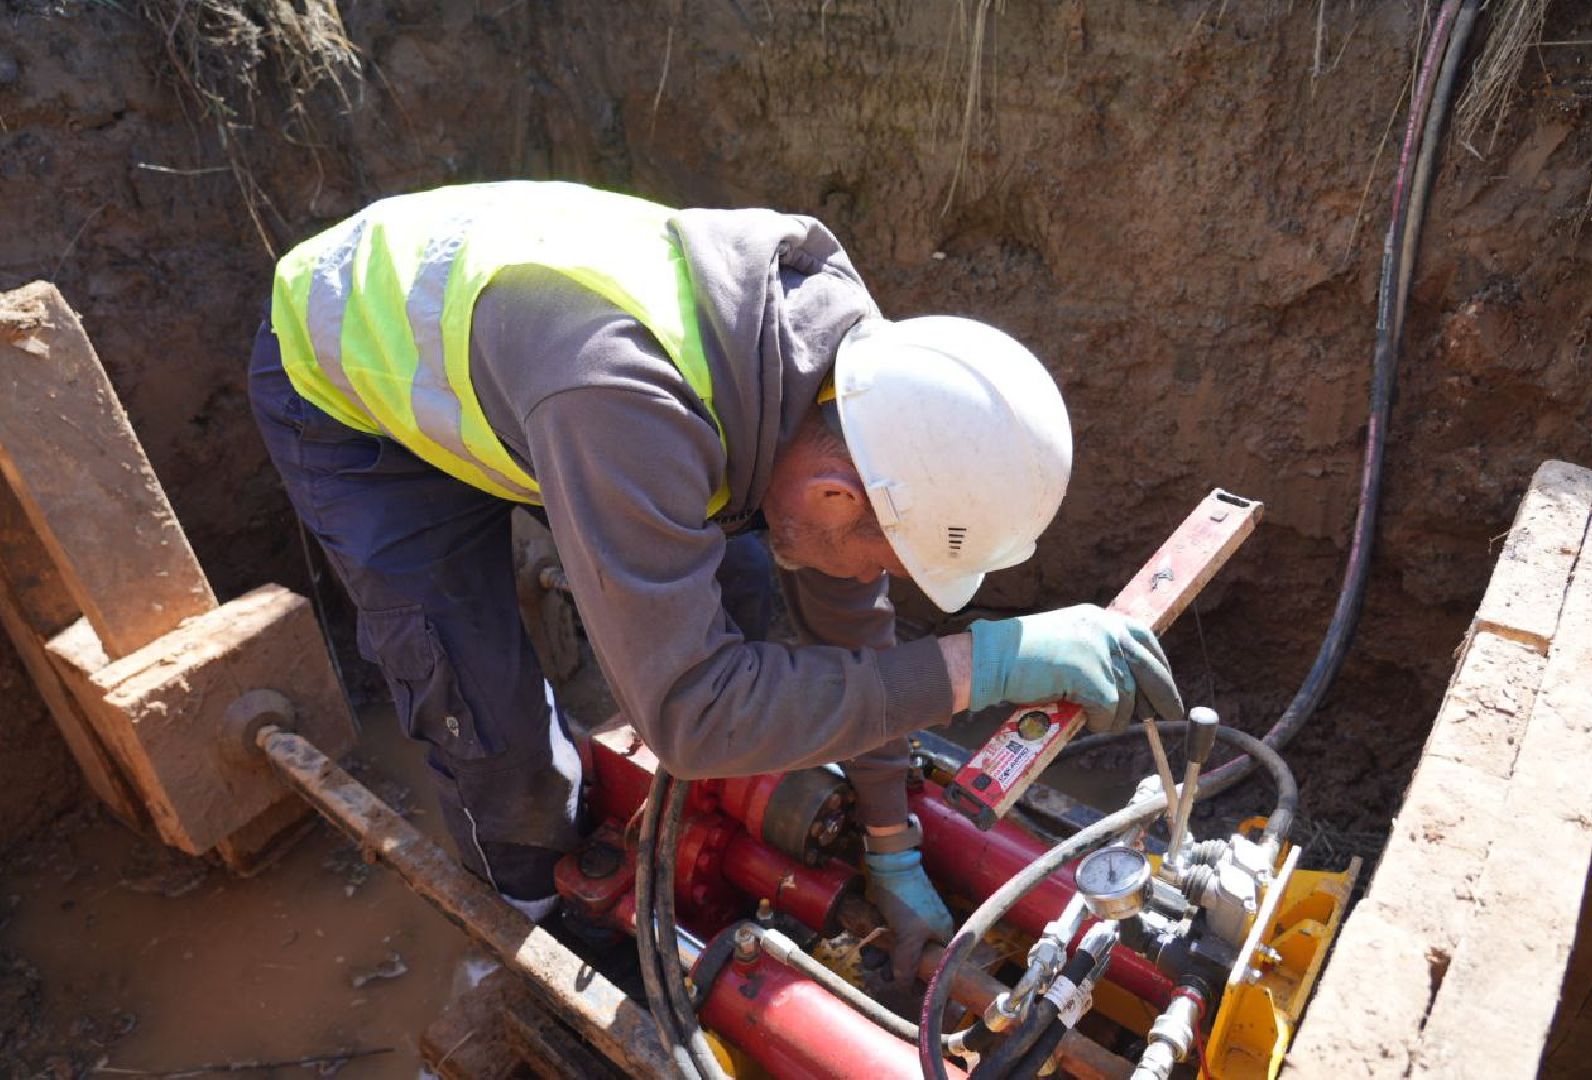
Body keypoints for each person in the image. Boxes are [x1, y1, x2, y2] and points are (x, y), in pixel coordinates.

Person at [247, 180, 1184, 984]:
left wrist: (891, 839)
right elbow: (693, 719)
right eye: (884, 558)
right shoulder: (621, 398)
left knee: (743, 596)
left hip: (536, 368)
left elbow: (847, 619)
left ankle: (614, 597)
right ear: (833, 493)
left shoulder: (845, 376)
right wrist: (981, 665)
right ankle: (531, 933)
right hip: (353, 379)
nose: (878, 580)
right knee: (494, 734)